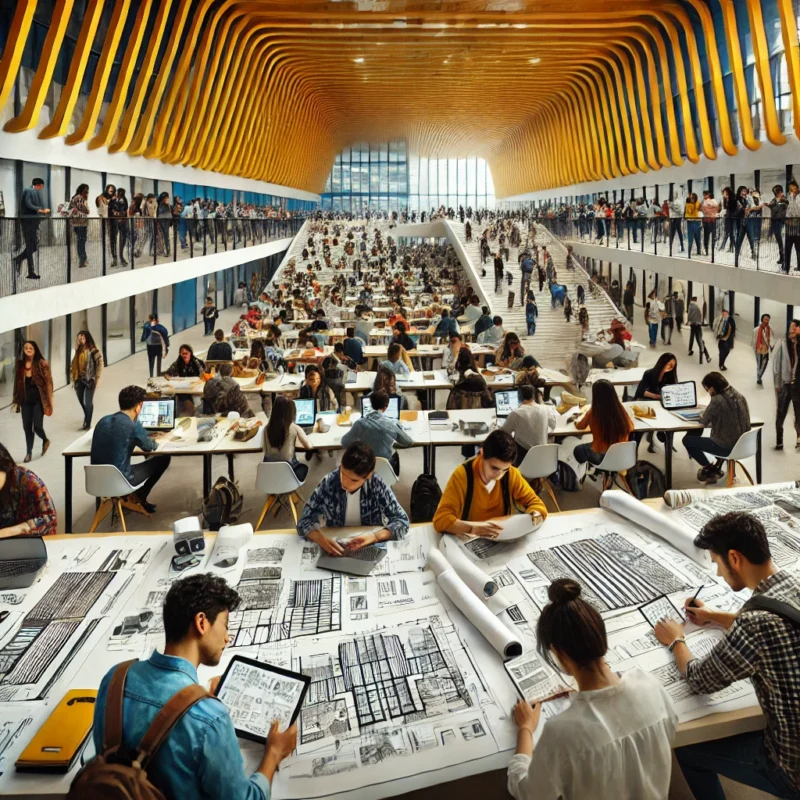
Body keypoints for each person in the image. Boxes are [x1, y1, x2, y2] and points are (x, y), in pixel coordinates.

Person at [90, 573, 296, 800]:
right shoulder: (211, 718)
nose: (227, 638)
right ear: (201, 623)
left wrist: (195, 701)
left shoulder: (115, 678)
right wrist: (274, 753)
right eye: (225, 625)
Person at [653, 512, 800, 800]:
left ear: (734, 558)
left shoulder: (753, 625)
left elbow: (698, 679)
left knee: (688, 749)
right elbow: (783, 620)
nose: (718, 573)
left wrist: (676, 640)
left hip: (791, 771)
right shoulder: (792, 585)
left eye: (717, 563)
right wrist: (716, 617)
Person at [509, 577, 676, 800]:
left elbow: (528, 793)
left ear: (560, 653)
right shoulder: (651, 686)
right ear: (602, 637)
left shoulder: (562, 732)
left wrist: (526, 729)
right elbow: (669, 732)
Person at [296, 441, 409, 555]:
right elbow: (304, 522)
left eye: (354, 480)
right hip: (337, 541)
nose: (345, 483)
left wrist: (375, 536)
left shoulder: (376, 484)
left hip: (369, 543)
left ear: (369, 475)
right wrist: (321, 539)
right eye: (343, 473)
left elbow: (402, 521)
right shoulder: (329, 482)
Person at [433, 430, 547, 537]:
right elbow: (440, 519)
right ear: (481, 454)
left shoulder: (511, 473)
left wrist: (535, 513)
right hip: (469, 537)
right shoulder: (463, 476)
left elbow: (536, 503)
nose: (500, 475)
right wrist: (472, 528)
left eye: (505, 469)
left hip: (501, 537)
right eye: (494, 468)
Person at [90, 386, 171, 513]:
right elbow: (150, 447)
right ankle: (140, 496)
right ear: (138, 406)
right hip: (121, 480)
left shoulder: (102, 421)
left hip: (95, 481)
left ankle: (128, 498)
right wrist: (158, 438)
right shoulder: (132, 425)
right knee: (163, 459)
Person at [683, 372, 750, 483]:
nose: (708, 392)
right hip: (744, 445)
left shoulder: (717, 400)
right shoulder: (740, 396)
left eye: (707, 389)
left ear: (712, 388)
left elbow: (703, 422)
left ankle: (710, 467)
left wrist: (702, 415)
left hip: (726, 447)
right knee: (724, 434)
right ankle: (716, 467)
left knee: (687, 440)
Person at [341, 390, 413, 476]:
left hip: (365, 466)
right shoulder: (391, 423)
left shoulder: (359, 423)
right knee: (394, 454)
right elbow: (408, 442)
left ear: (371, 404)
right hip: (386, 468)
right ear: (386, 407)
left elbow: (344, 442)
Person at [0, 442, 57, 537]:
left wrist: (10, 531)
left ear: (5, 467)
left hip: (27, 543)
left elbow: (50, 521)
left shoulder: (27, 480)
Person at [573, 378, 634, 465]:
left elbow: (580, 426)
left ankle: (590, 468)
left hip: (602, 455)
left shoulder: (594, 412)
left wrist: (575, 421)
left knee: (578, 450)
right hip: (620, 455)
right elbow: (630, 427)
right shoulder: (619, 409)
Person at [13, 341, 53, 463]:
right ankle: (28, 452)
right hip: (25, 400)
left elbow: (48, 382)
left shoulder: (41, 364)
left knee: (37, 426)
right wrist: (16, 400)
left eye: (31, 348)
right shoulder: (20, 365)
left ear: (35, 350)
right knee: (26, 427)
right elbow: (17, 383)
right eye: (26, 348)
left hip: (38, 400)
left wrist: (49, 400)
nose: (28, 349)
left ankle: (45, 439)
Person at [502, 384, 556, 466]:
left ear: (519, 397)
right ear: (534, 396)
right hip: (542, 460)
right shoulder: (545, 409)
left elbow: (504, 433)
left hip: (522, 461)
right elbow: (553, 425)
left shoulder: (516, 413)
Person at [263, 394, 312, 481]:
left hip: (268, 474)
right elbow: (309, 446)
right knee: (304, 467)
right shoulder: (294, 427)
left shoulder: (266, 428)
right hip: (288, 474)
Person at [772, 319, 800, 450]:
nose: (792, 331)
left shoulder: (798, 345)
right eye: (791, 328)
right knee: (781, 412)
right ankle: (779, 440)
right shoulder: (782, 344)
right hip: (784, 384)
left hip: (796, 385)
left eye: (794, 329)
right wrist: (777, 384)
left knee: (798, 412)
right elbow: (776, 365)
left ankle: (798, 439)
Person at [14, 177, 49, 279]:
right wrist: (40, 210)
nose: (41, 189)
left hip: (32, 222)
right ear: (38, 185)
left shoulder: (34, 192)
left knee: (32, 246)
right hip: (28, 222)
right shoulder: (28, 191)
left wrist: (41, 212)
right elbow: (28, 204)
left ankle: (19, 260)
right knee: (31, 246)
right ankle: (29, 270)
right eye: (41, 186)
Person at [71, 330, 104, 430]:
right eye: (79, 338)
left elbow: (100, 363)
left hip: (90, 379)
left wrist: (96, 378)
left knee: (88, 402)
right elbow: (73, 365)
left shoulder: (93, 350)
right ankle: (87, 415)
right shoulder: (78, 351)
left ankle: (88, 422)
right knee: (81, 399)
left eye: (83, 338)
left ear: (87, 338)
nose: (81, 340)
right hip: (79, 379)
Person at [68, 183, 90, 269]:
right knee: (81, 241)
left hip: (78, 223)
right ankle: (82, 260)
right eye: (86, 190)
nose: (87, 192)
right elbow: (86, 210)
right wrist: (85, 210)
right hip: (80, 222)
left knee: (81, 241)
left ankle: (83, 259)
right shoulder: (79, 198)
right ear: (82, 190)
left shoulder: (75, 198)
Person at [752, 313, 775, 386]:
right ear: (762, 319)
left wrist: (772, 345)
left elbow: (771, 338)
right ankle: (759, 378)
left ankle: (759, 376)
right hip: (759, 348)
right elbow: (754, 340)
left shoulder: (769, 330)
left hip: (765, 348)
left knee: (765, 363)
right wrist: (754, 349)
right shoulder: (756, 329)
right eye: (765, 319)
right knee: (759, 364)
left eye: (768, 319)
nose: (766, 321)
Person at [687, 296, 711, 362]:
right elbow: (700, 315)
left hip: (693, 325)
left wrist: (689, 321)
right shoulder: (696, 307)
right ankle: (706, 357)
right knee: (700, 341)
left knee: (695, 339)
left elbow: (690, 315)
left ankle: (691, 351)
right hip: (698, 325)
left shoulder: (691, 306)